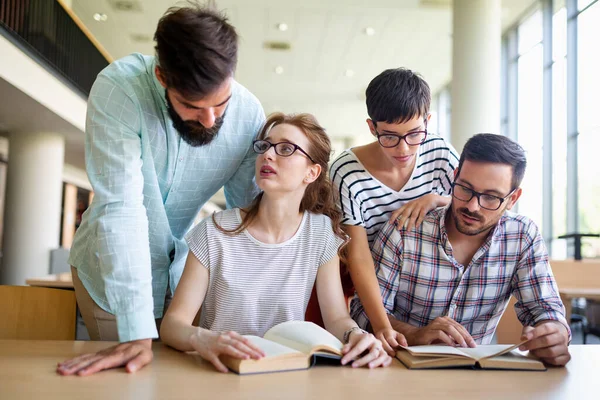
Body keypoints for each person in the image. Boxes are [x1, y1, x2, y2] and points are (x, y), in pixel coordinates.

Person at [57, 5, 264, 376]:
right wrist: (135, 332)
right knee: (129, 377)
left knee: (183, 380)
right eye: (192, 106)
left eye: (221, 103)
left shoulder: (249, 114)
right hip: (109, 272)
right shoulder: (120, 89)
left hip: (183, 274)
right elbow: (120, 209)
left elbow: (246, 219)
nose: (210, 120)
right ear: (161, 76)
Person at [160, 113, 392, 372]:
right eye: (265, 146)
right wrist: (204, 339)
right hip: (220, 373)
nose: (268, 155)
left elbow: (336, 318)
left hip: (285, 372)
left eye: (285, 149)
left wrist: (356, 335)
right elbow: (172, 325)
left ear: (312, 172)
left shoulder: (321, 233)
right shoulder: (213, 231)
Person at [353, 133, 571, 366]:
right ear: (455, 177)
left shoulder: (522, 236)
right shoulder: (405, 230)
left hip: (479, 377)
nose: (472, 206)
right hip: (400, 369)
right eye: (465, 189)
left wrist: (554, 331)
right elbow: (361, 312)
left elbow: (545, 308)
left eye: (491, 197)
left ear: (513, 198)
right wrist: (415, 334)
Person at [315, 68, 459, 354]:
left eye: (414, 134)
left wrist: (436, 199)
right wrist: (381, 325)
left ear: (428, 121)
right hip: (379, 288)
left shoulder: (440, 153)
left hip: (430, 279)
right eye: (390, 137)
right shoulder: (347, 171)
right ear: (372, 127)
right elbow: (358, 255)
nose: (403, 149)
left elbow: (467, 208)